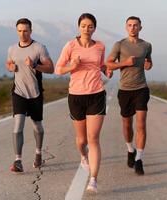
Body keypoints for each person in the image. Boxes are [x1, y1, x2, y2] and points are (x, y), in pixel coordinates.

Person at [55, 13, 112, 193]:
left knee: (93, 139)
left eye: (90, 26)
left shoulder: (100, 46)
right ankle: (82, 155)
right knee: (82, 140)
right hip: (76, 96)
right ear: (78, 27)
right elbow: (58, 70)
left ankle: (93, 179)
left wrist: (106, 70)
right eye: (83, 25)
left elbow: (101, 64)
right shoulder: (70, 46)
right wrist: (72, 66)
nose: (87, 29)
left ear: (94, 28)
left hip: (96, 94)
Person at [5, 18, 54, 173]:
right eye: (19, 30)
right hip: (18, 92)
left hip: (35, 94)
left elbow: (51, 68)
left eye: (25, 30)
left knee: (37, 126)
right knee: (18, 126)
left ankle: (38, 153)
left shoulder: (39, 48)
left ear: (31, 31)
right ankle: (18, 160)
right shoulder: (12, 48)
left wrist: (35, 65)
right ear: (16, 31)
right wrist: (10, 67)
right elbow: (9, 63)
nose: (22, 33)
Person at [106, 16, 153, 175]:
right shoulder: (119, 45)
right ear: (126, 27)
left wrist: (149, 65)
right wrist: (124, 63)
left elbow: (149, 62)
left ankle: (139, 159)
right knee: (127, 124)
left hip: (141, 88)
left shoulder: (147, 45)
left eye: (135, 25)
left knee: (141, 124)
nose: (133, 28)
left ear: (140, 27)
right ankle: (130, 149)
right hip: (125, 90)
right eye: (130, 25)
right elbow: (109, 64)